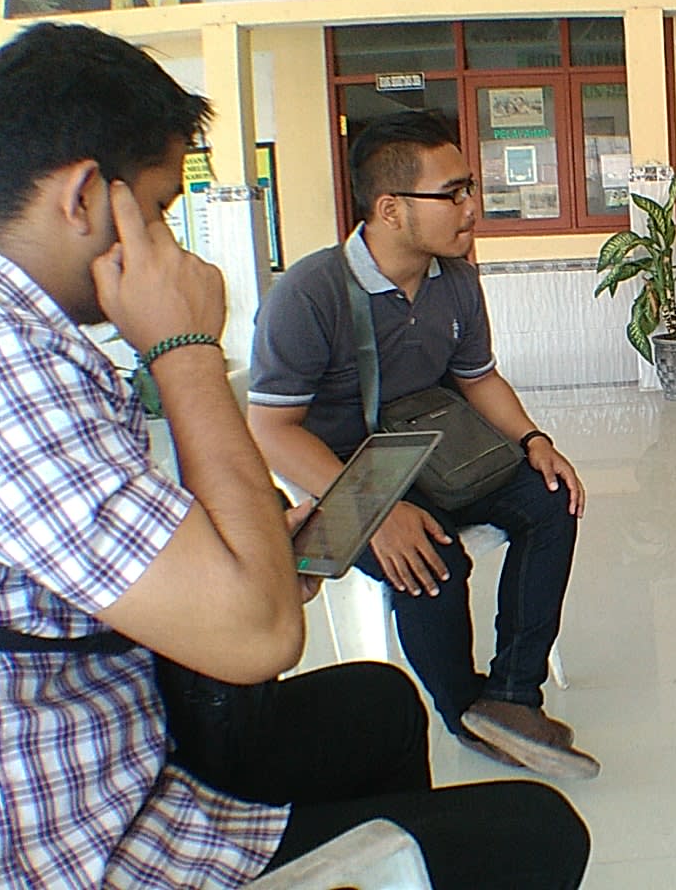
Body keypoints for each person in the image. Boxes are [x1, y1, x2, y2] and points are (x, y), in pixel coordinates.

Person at [0, 23, 589, 888]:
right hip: (65, 837)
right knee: (539, 833)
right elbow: (258, 635)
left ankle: (506, 696)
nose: (175, 247)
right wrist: (186, 349)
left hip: (122, 738)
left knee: (385, 701)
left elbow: (123, 544)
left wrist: (266, 543)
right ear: (85, 198)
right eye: (162, 210)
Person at [247, 110, 597, 779]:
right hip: (341, 474)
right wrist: (375, 512)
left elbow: (477, 377)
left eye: (470, 189)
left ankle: (512, 696)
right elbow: (272, 430)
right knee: (432, 562)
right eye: (453, 193)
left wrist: (534, 438)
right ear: (390, 208)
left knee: (553, 499)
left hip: (437, 452)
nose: (472, 208)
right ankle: (463, 711)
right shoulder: (309, 293)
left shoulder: (456, 278)